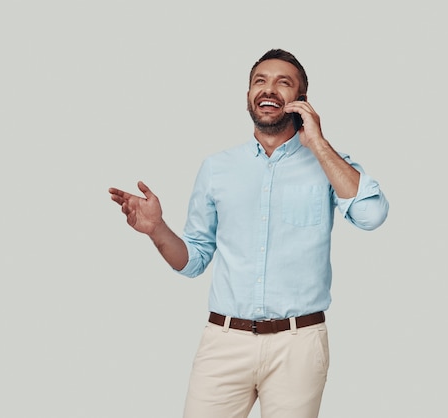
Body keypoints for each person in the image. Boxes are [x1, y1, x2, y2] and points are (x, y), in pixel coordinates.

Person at [108, 48, 389, 418]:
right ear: (248, 96)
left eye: (283, 83)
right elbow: (192, 261)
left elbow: (371, 215)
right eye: (260, 81)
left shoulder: (328, 162)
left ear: (302, 101)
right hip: (224, 342)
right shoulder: (217, 168)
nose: (269, 89)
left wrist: (318, 143)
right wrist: (157, 230)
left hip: (298, 345)